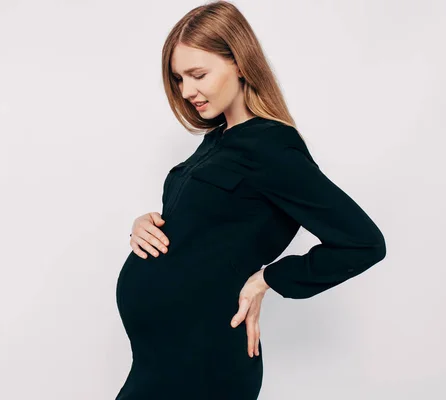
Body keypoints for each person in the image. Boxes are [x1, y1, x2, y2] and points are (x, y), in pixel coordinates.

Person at [114, 1, 386, 399]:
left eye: (198, 74)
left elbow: (363, 242)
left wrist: (268, 279)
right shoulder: (216, 141)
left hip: (203, 363)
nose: (187, 91)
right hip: (162, 360)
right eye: (179, 79)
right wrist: (146, 225)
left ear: (239, 63)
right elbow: (201, 231)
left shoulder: (272, 147)